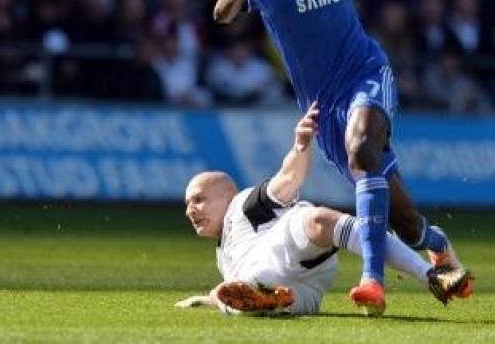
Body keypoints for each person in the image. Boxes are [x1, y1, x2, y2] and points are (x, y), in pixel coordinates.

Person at [212, 0, 472, 314]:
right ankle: (437, 243)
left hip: (367, 73)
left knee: (361, 149)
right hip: (324, 104)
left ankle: (372, 281)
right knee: (404, 222)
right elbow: (221, 14)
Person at [175, 104, 472, 316]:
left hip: (289, 246)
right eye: (188, 203)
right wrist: (207, 299)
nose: (190, 210)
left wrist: (301, 146)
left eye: (199, 199)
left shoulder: (243, 206)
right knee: (240, 299)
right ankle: (267, 298)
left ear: (227, 195)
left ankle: (431, 275)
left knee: (317, 220)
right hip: (303, 292)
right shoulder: (223, 253)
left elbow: (288, 179)